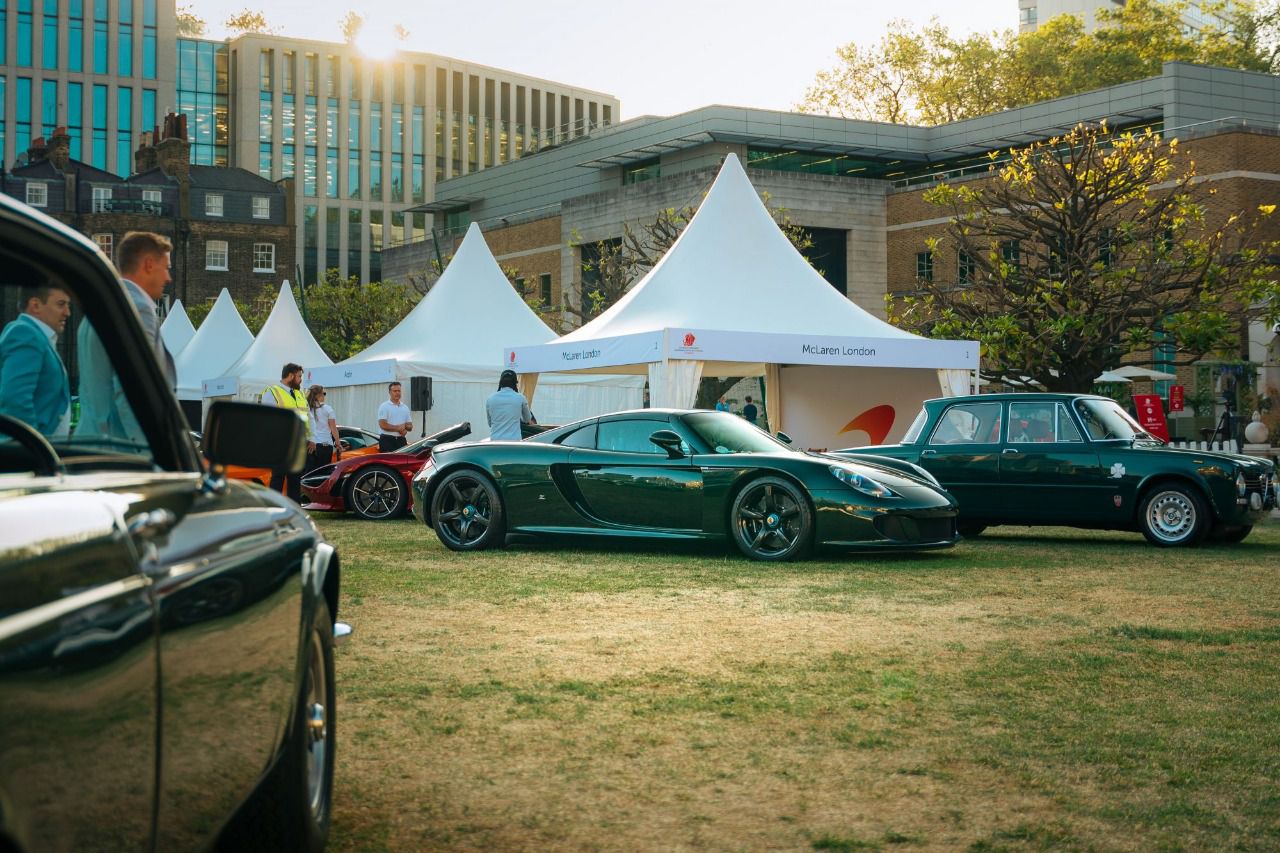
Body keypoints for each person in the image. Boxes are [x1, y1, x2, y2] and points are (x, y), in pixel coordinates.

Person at [78, 232, 176, 446]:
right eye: (166, 267)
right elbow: (133, 389)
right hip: (123, 452)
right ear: (149, 264)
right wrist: (154, 452)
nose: (168, 278)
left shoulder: (99, 308)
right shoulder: (138, 308)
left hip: (93, 442)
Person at [0, 283, 72, 436]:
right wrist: (33, 449)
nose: (68, 312)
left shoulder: (35, 336)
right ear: (35, 305)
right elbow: (16, 401)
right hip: (30, 454)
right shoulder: (25, 334)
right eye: (61, 304)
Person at [260, 362, 307, 501]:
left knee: (295, 479)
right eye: (299, 376)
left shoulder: (300, 394)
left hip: (298, 443)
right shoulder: (272, 392)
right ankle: (274, 506)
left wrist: (311, 438)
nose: (301, 379)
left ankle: (295, 510)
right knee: (278, 478)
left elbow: (308, 417)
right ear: (290, 376)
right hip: (279, 442)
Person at [485, 369, 534, 441]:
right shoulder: (520, 398)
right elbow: (527, 419)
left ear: (501, 382)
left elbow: (490, 423)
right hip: (514, 442)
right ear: (515, 383)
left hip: (495, 442)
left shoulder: (490, 399)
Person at [305, 384, 341, 474]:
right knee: (323, 474)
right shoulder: (328, 409)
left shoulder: (306, 409)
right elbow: (333, 429)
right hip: (325, 445)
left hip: (310, 445)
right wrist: (338, 443)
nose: (324, 396)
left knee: (309, 474)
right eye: (324, 393)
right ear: (318, 395)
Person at [377, 380, 412, 451]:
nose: (397, 393)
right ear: (390, 392)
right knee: (388, 461)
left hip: (401, 440)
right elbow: (383, 425)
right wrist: (399, 428)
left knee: (402, 461)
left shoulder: (405, 407)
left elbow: (410, 426)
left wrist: (404, 426)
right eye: (395, 391)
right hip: (387, 440)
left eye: (399, 391)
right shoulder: (384, 406)